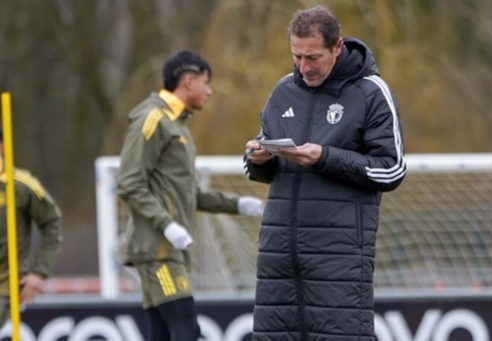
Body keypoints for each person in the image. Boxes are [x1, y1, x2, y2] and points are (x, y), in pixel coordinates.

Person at [244, 5, 406, 341]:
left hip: (339, 263)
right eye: (297, 56)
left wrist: (326, 157)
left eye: (313, 57)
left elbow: (391, 170)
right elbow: (267, 160)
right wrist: (259, 159)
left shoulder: (371, 93)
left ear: (337, 46)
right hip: (279, 261)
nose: (303, 67)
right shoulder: (283, 91)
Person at [116, 50, 264, 341]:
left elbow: (189, 194)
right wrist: (167, 226)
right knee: (187, 328)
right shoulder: (153, 119)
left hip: (166, 249)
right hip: (157, 250)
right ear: (188, 81)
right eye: (206, 83)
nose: (209, 91)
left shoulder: (175, 125)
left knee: (162, 333)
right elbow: (128, 182)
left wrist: (239, 205)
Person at [0, 128, 63, 329]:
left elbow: (52, 222)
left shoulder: (20, 186)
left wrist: (40, 272)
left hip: (4, 287)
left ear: (1, 148)